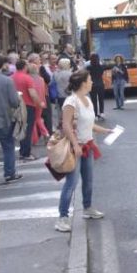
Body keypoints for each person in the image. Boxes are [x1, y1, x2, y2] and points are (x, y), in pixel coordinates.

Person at [55, 69, 113, 232]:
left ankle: (87, 208)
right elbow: (66, 125)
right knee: (71, 183)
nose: (92, 82)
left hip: (88, 145)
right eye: (89, 80)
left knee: (88, 180)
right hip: (77, 148)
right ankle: (62, 217)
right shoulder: (71, 102)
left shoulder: (87, 100)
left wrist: (106, 131)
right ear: (82, 83)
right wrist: (75, 145)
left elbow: (89, 124)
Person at [12, 59, 40, 161]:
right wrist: (38, 103)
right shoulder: (27, 78)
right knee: (27, 130)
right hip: (28, 105)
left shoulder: (11, 78)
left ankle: (22, 151)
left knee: (19, 128)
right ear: (24, 67)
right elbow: (32, 93)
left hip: (15, 106)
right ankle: (26, 153)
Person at [53, 58, 73, 128]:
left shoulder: (55, 74)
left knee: (61, 113)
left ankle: (62, 126)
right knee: (69, 114)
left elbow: (52, 83)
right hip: (69, 95)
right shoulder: (70, 74)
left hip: (59, 96)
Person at [87, 53, 106, 120]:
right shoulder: (101, 67)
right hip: (100, 84)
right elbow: (104, 66)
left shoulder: (89, 67)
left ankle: (95, 115)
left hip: (92, 85)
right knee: (101, 99)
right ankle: (102, 113)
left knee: (94, 100)